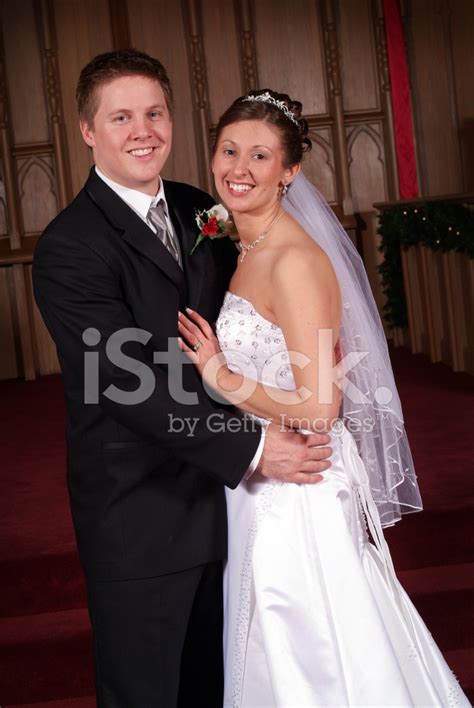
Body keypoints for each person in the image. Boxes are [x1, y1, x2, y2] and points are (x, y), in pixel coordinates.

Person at [32, 52, 333, 707]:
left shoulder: (204, 210)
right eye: (120, 117)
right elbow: (124, 383)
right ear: (88, 130)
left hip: (235, 513)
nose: (143, 130)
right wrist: (253, 449)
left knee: (221, 691)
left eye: (154, 113)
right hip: (142, 519)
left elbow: (268, 307)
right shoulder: (69, 247)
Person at [178, 89, 470, 706]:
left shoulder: (296, 262)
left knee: (307, 648)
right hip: (259, 478)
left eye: (260, 156)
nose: (239, 168)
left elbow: (319, 406)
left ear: (290, 171)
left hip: (300, 486)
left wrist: (220, 377)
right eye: (229, 150)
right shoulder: (243, 244)